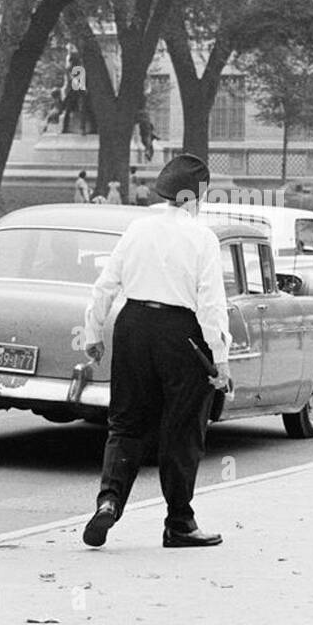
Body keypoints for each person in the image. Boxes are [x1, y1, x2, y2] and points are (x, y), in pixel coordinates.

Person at [81, 153, 231, 549]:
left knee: (126, 423)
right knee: (182, 429)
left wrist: (94, 332)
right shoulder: (202, 238)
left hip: (132, 327)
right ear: (197, 197)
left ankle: (110, 500)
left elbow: (105, 285)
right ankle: (179, 522)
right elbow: (211, 305)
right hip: (182, 333)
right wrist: (221, 360)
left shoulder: (137, 228)